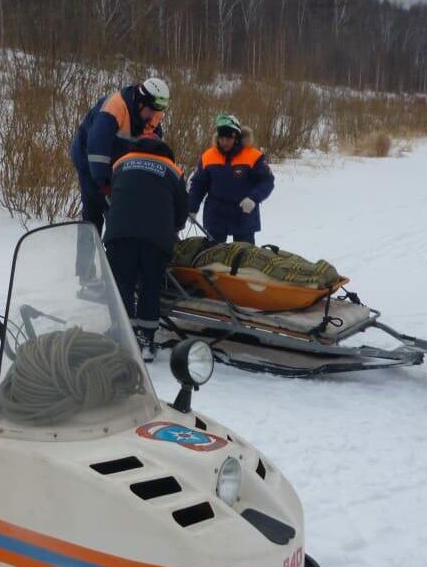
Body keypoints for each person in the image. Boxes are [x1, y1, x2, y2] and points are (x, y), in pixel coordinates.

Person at [70, 78, 170, 285]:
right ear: (141, 101)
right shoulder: (115, 107)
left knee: (126, 219)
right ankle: (86, 274)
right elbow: (97, 149)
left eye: (157, 112)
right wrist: (104, 185)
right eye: (150, 110)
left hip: (120, 166)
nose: (153, 116)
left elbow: (154, 150)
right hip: (91, 164)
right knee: (95, 216)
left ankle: (122, 272)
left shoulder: (154, 113)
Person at [102, 135, 188, 362]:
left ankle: (123, 336)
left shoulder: (121, 162)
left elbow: (112, 195)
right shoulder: (173, 170)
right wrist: (173, 227)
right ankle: (146, 341)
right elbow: (182, 211)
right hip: (155, 239)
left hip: (119, 234)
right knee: (150, 286)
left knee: (122, 284)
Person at [188, 113, 274, 244]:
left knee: (243, 259)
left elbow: (267, 181)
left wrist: (253, 198)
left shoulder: (253, 156)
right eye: (221, 138)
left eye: (228, 139)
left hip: (244, 214)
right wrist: (192, 207)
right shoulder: (208, 156)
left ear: (237, 138)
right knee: (213, 257)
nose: (224, 142)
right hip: (216, 216)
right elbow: (199, 184)